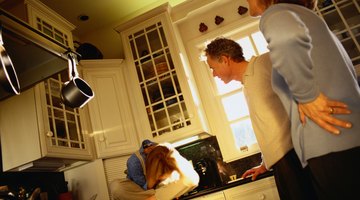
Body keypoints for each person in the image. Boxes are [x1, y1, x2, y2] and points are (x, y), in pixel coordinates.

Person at [246, 0, 360, 199]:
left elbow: (285, 35)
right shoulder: (306, 16)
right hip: (346, 137)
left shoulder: (276, 12)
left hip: (330, 142)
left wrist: (307, 96)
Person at [205, 37, 317, 199]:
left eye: (213, 68)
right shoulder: (247, 84)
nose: (214, 74)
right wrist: (266, 162)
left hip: (293, 157)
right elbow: (269, 125)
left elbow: (301, 75)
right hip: (280, 162)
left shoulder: (263, 63)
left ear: (224, 59)